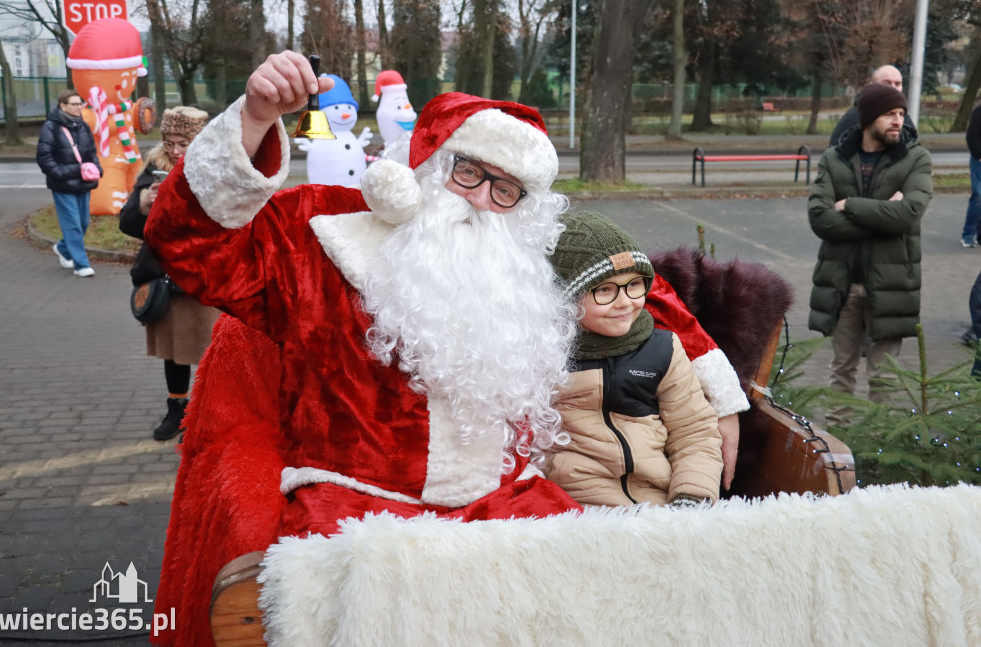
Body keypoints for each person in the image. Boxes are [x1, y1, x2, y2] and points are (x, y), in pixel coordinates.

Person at [143, 51, 746, 644]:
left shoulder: (522, 259)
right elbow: (190, 247)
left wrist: (719, 392)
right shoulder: (326, 236)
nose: (483, 199)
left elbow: (650, 293)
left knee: (597, 604)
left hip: (504, 499)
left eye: (506, 189)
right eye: (469, 173)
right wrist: (252, 121)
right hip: (356, 506)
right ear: (429, 167)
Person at [547, 211, 723, 507]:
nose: (625, 302)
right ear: (564, 297)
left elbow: (694, 432)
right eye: (604, 289)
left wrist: (690, 496)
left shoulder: (661, 349)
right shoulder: (542, 358)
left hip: (661, 502)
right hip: (578, 510)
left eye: (634, 285)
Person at [808, 82, 933, 425]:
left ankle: (879, 456)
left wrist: (848, 205)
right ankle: (839, 452)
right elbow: (820, 219)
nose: (898, 121)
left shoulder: (915, 159)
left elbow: (908, 214)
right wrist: (882, 215)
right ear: (868, 118)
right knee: (840, 374)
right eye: (890, 114)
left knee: (884, 379)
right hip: (842, 285)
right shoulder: (835, 159)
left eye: (901, 113)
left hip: (892, 287)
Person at [119, 107, 219, 441]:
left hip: (203, 276)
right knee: (174, 352)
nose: (175, 151)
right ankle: (176, 410)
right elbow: (128, 224)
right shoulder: (155, 168)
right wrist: (144, 206)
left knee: (210, 351)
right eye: (169, 143)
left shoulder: (216, 169)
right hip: (165, 276)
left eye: (183, 144)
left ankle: (211, 414)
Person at [36, 89, 103, 277]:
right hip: (63, 184)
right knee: (72, 224)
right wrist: (60, 173)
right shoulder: (51, 127)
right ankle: (81, 265)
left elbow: (91, 152)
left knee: (83, 223)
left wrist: (97, 168)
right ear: (63, 106)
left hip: (84, 182)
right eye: (74, 104)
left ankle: (64, 249)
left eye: (79, 104)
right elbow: (44, 157)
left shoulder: (83, 126)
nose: (78, 107)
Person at [829, 65, 916, 148]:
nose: (893, 88)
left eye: (897, 84)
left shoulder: (904, 118)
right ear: (872, 85)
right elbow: (835, 153)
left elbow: (913, 149)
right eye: (886, 83)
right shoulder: (856, 116)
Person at [962, 102, 981, 247]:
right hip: (979, 160)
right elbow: (971, 136)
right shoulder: (979, 112)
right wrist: (979, 155)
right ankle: (968, 235)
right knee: (979, 196)